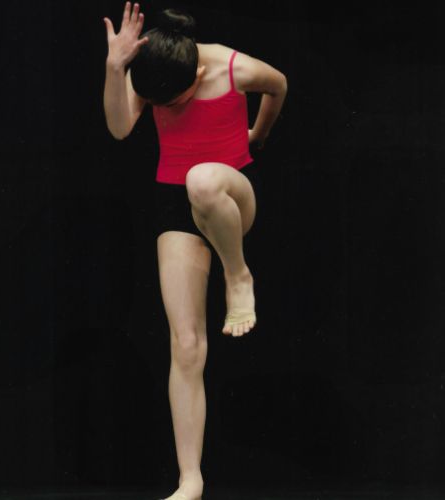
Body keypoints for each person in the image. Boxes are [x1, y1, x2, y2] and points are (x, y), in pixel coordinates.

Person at [103, 3, 287, 499]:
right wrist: (116, 67)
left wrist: (258, 135)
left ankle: (237, 275)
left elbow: (279, 85)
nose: (166, 108)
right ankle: (190, 480)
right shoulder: (155, 71)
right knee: (185, 344)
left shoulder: (232, 67)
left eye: (176, 101)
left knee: (202, 179)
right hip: (174, 206)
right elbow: (120, 128)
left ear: (199, 74)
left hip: (230, 195)